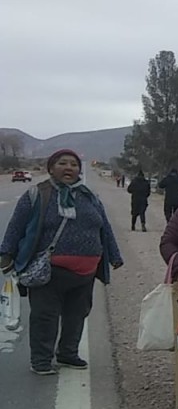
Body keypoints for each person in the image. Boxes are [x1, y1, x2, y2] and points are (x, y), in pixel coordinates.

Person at [0, 149, 123, 375]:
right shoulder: (37, 194)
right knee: (45, 317)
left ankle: (68, 354)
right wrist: (6, 254)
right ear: (51, 168)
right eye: (62, 163)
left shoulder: (89, 196)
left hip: (86, 272)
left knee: (77, 315)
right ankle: (41, 360)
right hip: (48, 272)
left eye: (74, 164)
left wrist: (114, 255)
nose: (69, 168)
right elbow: (16, 226)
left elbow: (103, 227)